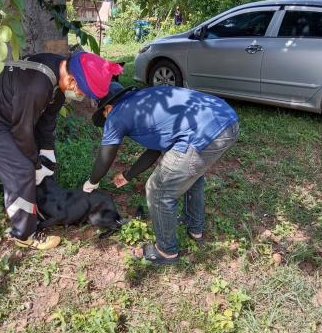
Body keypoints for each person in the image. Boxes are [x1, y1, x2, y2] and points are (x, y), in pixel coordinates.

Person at [0, 52, 123, 249]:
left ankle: (33, 205)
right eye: (81, 92)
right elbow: (23, 133)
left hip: (9, 109)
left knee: (30, 164)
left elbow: (47, 119)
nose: (79, 96)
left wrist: (47, 153)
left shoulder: (59, 70)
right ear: (73, 80)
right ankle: (23, 234)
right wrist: (34, 164)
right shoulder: (37, 87)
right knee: (21, 170)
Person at [83, 83, 239, 264]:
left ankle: (166, 252)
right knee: (192, 175)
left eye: (103, 115)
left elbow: (105, 158)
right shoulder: (144, 100)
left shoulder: (116, 114)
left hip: (204, 131)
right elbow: (155, 149)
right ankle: (194, 226)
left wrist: (91, 183)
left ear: (107, 107)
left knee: (158, 190)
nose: (106, 122)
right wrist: (128, 174)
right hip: (226, 119)